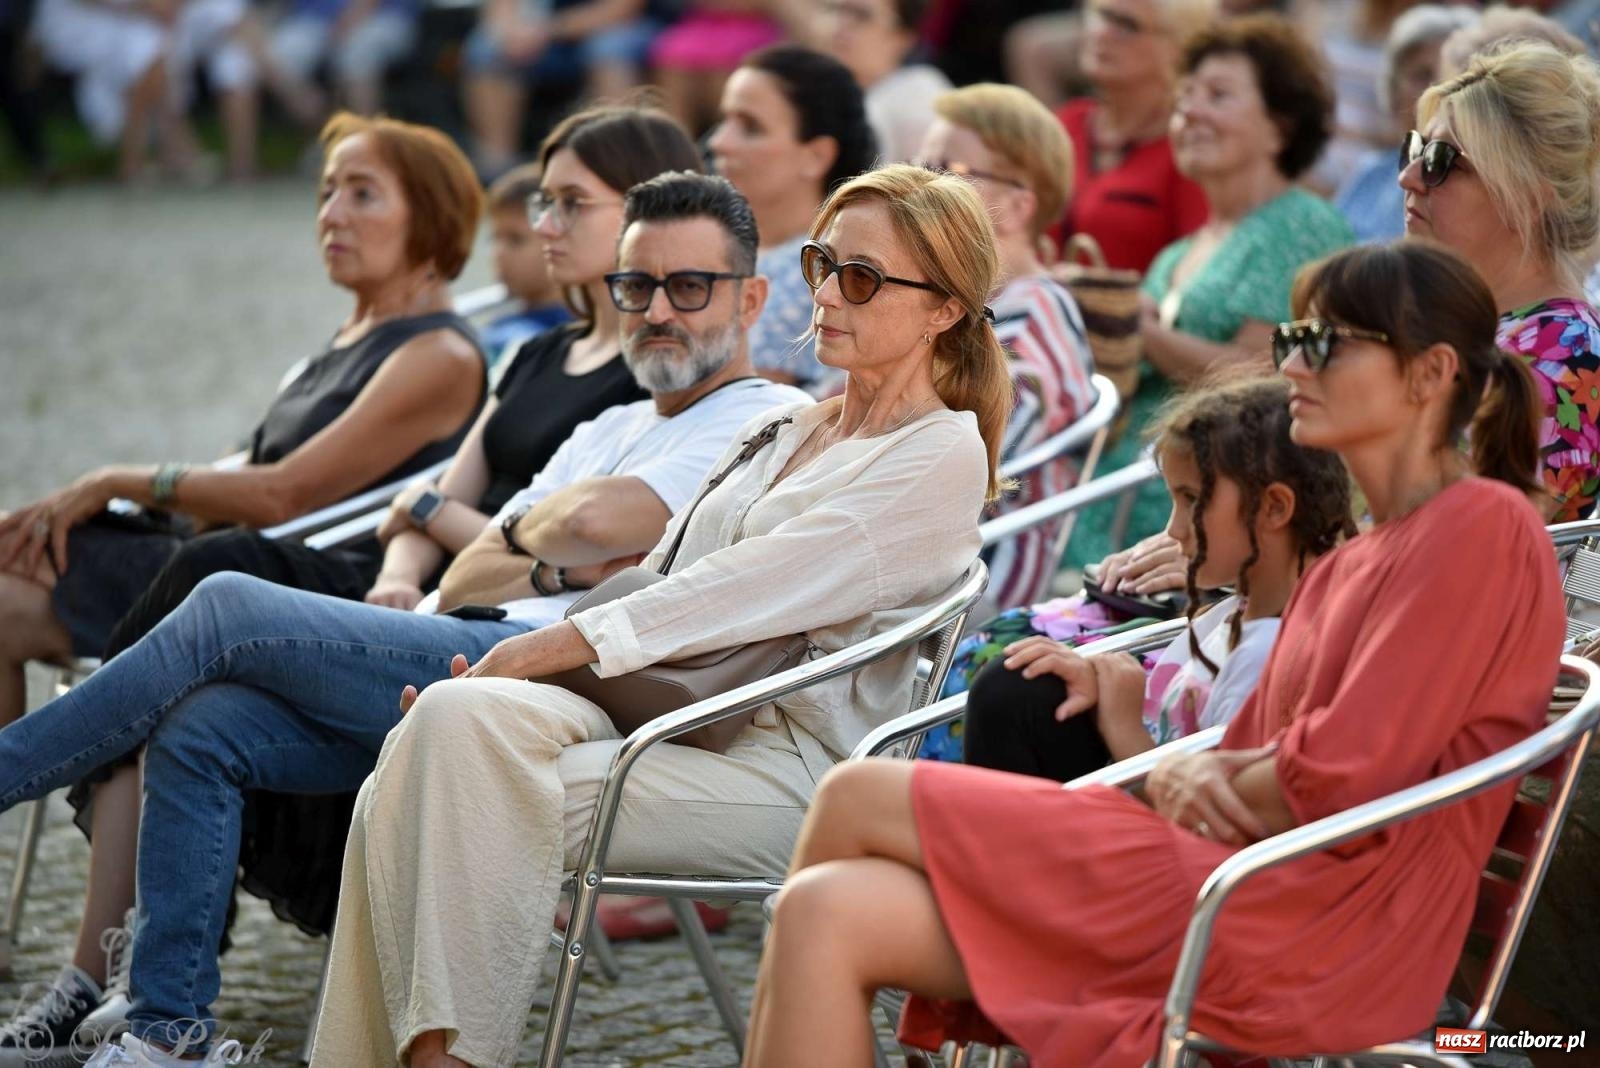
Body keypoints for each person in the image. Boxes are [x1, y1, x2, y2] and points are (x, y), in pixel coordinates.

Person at [0, 172, 809, 1068]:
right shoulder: (606, 427)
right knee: (201, 728)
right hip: (456, 637)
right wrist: (551, 551)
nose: (658, 309)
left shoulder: (766, 418)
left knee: (228, 598)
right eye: (636, 287)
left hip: (549, 671)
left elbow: (585, 525)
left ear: (752, 295)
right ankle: (164, 1033)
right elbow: (478, 561)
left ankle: (8, 769)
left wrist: (541, 538)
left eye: (689, 286)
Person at [744, 237, 1563, 1068]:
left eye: (1327, 343)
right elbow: (1277, 764)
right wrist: (1193, 773)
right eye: (1292, 338)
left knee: (855, 796)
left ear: (1430, 376)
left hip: (1309, 922)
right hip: (1248, 881)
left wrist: (1192, 774)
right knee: (823, 911)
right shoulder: (1365, 555)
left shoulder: (1478, 529)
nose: (1294, 366)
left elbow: (1337, 777)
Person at [306, 162, 1005, 1068]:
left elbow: (741, 587)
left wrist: (530, 654)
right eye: (823, 263)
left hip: (796, 766)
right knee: (441, 725)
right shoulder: (796, 425)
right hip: (669, 710)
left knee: (434, 776)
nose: (828, 293)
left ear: (945, 308)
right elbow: (659, 575)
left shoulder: (939, 453)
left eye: (862, 278)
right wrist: (520, 662)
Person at [942, 375, 1353, 787]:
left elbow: (1207, 821)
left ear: (1275, 508)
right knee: (1014, 687)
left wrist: (1124, 731)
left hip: (1151, 817)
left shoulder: (1263, 654)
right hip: (1140, 773)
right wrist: (1101, 685)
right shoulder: (1236, 610)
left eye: (1192, 500)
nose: (1173, 530)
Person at [1066, 14, 1353, 567]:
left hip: (1208, 532)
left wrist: (1136, 327)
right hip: (1116, 508)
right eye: (1183, 99)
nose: (1190, 112)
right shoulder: (1178, 252)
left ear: (1280, 126)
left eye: (1217, 96)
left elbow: (1262, 379)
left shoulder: (1301, 225)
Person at [1403, 40, 1600, 521]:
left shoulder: (1566, 355)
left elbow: (1475, 550)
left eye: (1441, 161)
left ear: (1529, 197)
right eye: (1415, 149)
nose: (1409, 177)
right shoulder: (1472, 329)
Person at [917, 83, 1096, 609]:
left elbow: (965, 481)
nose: (919, 188)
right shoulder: (964, 305)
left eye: (948, 172)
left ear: (1017, 207)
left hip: (968, 595)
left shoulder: (1029, 318)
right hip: (924, 572)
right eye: (921, 166)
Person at [708, 44, 878, 389]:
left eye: (751, 127)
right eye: (725, 120)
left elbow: (747, 409)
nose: (719, 143)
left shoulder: (827, 273)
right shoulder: (712, 245)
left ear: (816, 156)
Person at [1045, 0, 1215, 272]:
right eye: (1101, 15)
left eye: (1126, 25)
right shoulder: (1066, 123)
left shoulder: (1189, 147)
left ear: (1177, 49)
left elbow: (1195, 281)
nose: (1101, 33)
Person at [460, 0, 661, 180]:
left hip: (613, 28)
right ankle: (499, 166)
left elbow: (621, 9)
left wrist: (548, 30)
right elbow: (501, 9)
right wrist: (510, 33)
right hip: (542, 36)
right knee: (486, 49)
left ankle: (616, 155)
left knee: (609, 48)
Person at [1333, 4, 1477, 243]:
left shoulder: (1471, 188)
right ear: (1392, 90)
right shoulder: (1372, 173)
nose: (1435, 89)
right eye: (1422, 74)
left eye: (1450, 74)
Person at [811, 0, 950, 164]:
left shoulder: (921, 99)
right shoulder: (816, 91)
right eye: (835, 9)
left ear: (903, 38)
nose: (842, 23)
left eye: (861, 15)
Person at [477, 162, 572, 374]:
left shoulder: (569, 337)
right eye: (495, 239)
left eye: (515, 240)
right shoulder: (500, 325)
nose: (498, 253)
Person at [262, 0, 418, 120]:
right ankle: (325, 132)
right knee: (278, 55)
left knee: (357, 52)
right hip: (317, 20)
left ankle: (367, 143)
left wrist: (341, 29)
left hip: (379, 16)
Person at [650, 0, 789, 133]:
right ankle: (679, 143)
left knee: (722, 71)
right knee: (674, 62)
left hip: (749, 26)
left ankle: (729, 139)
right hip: (702, 25)